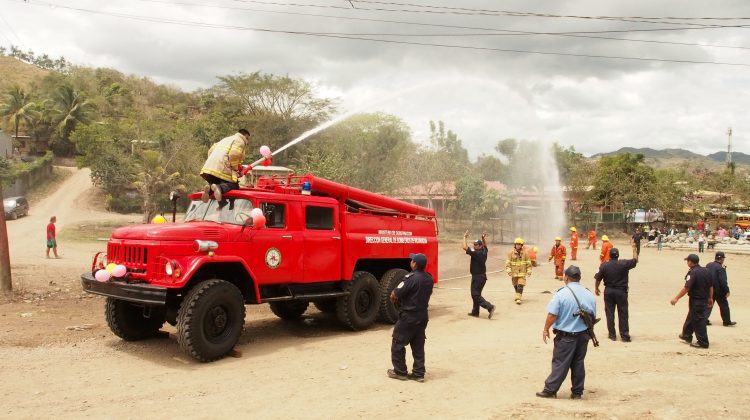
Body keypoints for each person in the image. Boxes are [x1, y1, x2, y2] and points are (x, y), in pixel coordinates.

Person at [536, 265, 597, 400]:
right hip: (583, 335)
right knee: (578, 363)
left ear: (566, 277)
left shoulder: (561, 293)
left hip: (566, 337)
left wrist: (546, 329)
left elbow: (552, 315)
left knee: (560, 363)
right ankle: (577, 392)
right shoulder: (589, 294)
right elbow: (593, 315)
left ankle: (550, 390)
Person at [387, 253, 434, 382]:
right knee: (418, 344)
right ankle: (419, 374)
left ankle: (400, 372)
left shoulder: (410, 278)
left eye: (412, 260)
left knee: (398, 342)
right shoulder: (429, 278)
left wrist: (394, 298)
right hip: (422, 315)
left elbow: (394, 294)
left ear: (414, 264)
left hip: (409, 316)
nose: (411, 261)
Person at [594, 240, 638, 342]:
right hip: (621, 292)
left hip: (609, 291)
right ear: (618, 256)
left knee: (610, 313)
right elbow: (635, 260)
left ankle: (612, 335)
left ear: (609, 255)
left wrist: (596, 288)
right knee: (623, 313)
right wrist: (634, 249)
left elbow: (598, 278)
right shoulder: (624, 263)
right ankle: (624, 336)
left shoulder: (604, 265)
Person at [199, 129, 253, 209]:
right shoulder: (240, 141)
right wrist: (236, 170)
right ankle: (219, 188)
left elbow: (210, 151)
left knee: (216, 187)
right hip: (222, 168)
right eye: (248, 139)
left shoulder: (226, 139)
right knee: (234, 185)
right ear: (245, 136)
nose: (247, 141)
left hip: (209, 168)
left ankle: (210, 190)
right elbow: (234, 155)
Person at [670, 254, 713, 349]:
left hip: (697, 300)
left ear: (690, 262)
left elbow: (686, 288)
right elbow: (710, 286)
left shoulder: (693, 272)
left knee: (699, 320)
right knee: (691, 317)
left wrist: (676, 298)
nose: (687, 263)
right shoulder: (706, 271)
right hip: (704, 299)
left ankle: (703, 342)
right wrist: (710, 298)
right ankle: (686, 335)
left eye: (687, 261)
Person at [463, 231, 496, 318]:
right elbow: (486, 246)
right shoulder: (484, 250)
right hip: (482, 277)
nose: (474, 246)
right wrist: (483, 238)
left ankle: (490, 307)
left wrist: (464, 237)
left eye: (476, 245)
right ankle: (475, 312)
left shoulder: (476, 253)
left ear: (480, 246)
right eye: (474, 244)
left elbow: (464, 247)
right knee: (476, 294)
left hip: (477, 277)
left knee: (475, 295)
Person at [706, 252, 736, 327]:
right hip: (719, 291)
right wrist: (727, 290)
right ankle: (726, 321)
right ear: (722, 259)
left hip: (709, 289)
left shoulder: (709, 265)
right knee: (724, 306)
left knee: (709, 304)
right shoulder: (721, 267)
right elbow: (723, 281)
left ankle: (704, 320)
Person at [506, 237, 532, 305]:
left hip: (522, 274)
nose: (518, 246)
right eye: (517, 244)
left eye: (519, 244)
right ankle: (518, 295)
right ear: (515, 245)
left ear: (521, 245)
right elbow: (507, 263)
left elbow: (528, 263)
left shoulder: (525, 254)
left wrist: (529, 271)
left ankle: (518, 298)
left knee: (520, 285)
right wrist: (509, 271)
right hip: (514, 274)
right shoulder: (510, 253)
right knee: (516, 286)